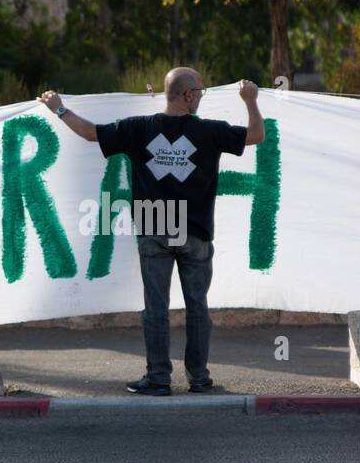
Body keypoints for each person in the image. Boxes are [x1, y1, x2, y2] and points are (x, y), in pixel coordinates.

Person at [37, 69, 265, 395]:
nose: (201, 95)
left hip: (155, 225)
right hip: (195, 229)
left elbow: (90, 133)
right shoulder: (209, 132)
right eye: (199, 91)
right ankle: (199, 379)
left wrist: (58, 108)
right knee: (197, 306)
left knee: (156, 307)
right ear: (187, 96)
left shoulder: (138, 128)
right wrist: (251, 101)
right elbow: (256, 135)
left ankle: (158, 379)